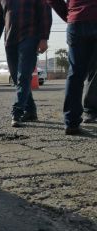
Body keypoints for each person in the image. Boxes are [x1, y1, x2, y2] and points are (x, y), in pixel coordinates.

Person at [0, 0, 52, 128]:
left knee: (23, 75)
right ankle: (30, 111)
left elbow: (46, 13)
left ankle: (17, 112)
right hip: (10, 41)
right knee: (16, 78)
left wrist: (44, 38)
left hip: (30, 38)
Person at [47, 0, 97, 134]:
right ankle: (90, 111)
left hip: (76, 21)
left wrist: (70, 15)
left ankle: (71, 122)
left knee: (75, 73)